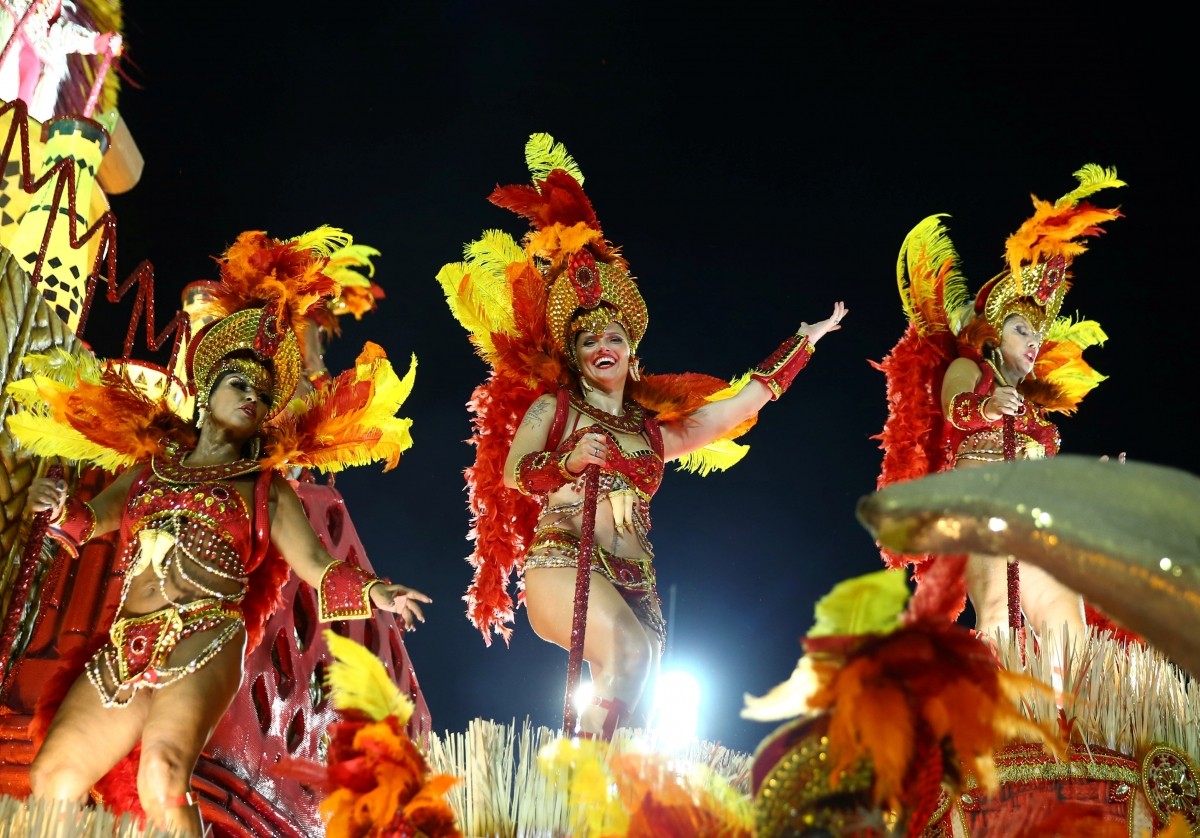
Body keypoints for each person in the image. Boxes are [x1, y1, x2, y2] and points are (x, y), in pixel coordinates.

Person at [7, 227, 428, 836]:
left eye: (263, 392)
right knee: (54, 778)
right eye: (239, 383)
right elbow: (94, 522)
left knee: (161, 773)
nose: (252, 397)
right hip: (128, 640)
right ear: (207, 389)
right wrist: (58, 508)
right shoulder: (153, 467)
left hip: (205, 637)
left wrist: (375, 592)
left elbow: (313, 565)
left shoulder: (265, 488)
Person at [437, 132, 846, 738]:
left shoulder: (652, 434)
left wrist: (804, 343)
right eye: (588, 341)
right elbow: (514, 473)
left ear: (632, 353)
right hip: (562, 562)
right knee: (628, 659)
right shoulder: (555, 409)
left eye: (614, 339)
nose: (603, 346)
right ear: (575, 358)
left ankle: (602, 811)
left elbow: (735, 408)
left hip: (639, 582)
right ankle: (582, 792)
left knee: (640, 703)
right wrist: (570, 461)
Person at [873, 164, 1126, 677]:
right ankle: (999, 744)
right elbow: (955, 409)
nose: (1033, 341)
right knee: (997, 622)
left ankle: (1073, 740)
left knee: (1068, 628)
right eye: (1019, 328)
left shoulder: (1032, 404)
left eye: (1037, 332)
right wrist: (986, 408)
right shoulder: (972, 369)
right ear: (993, 334)